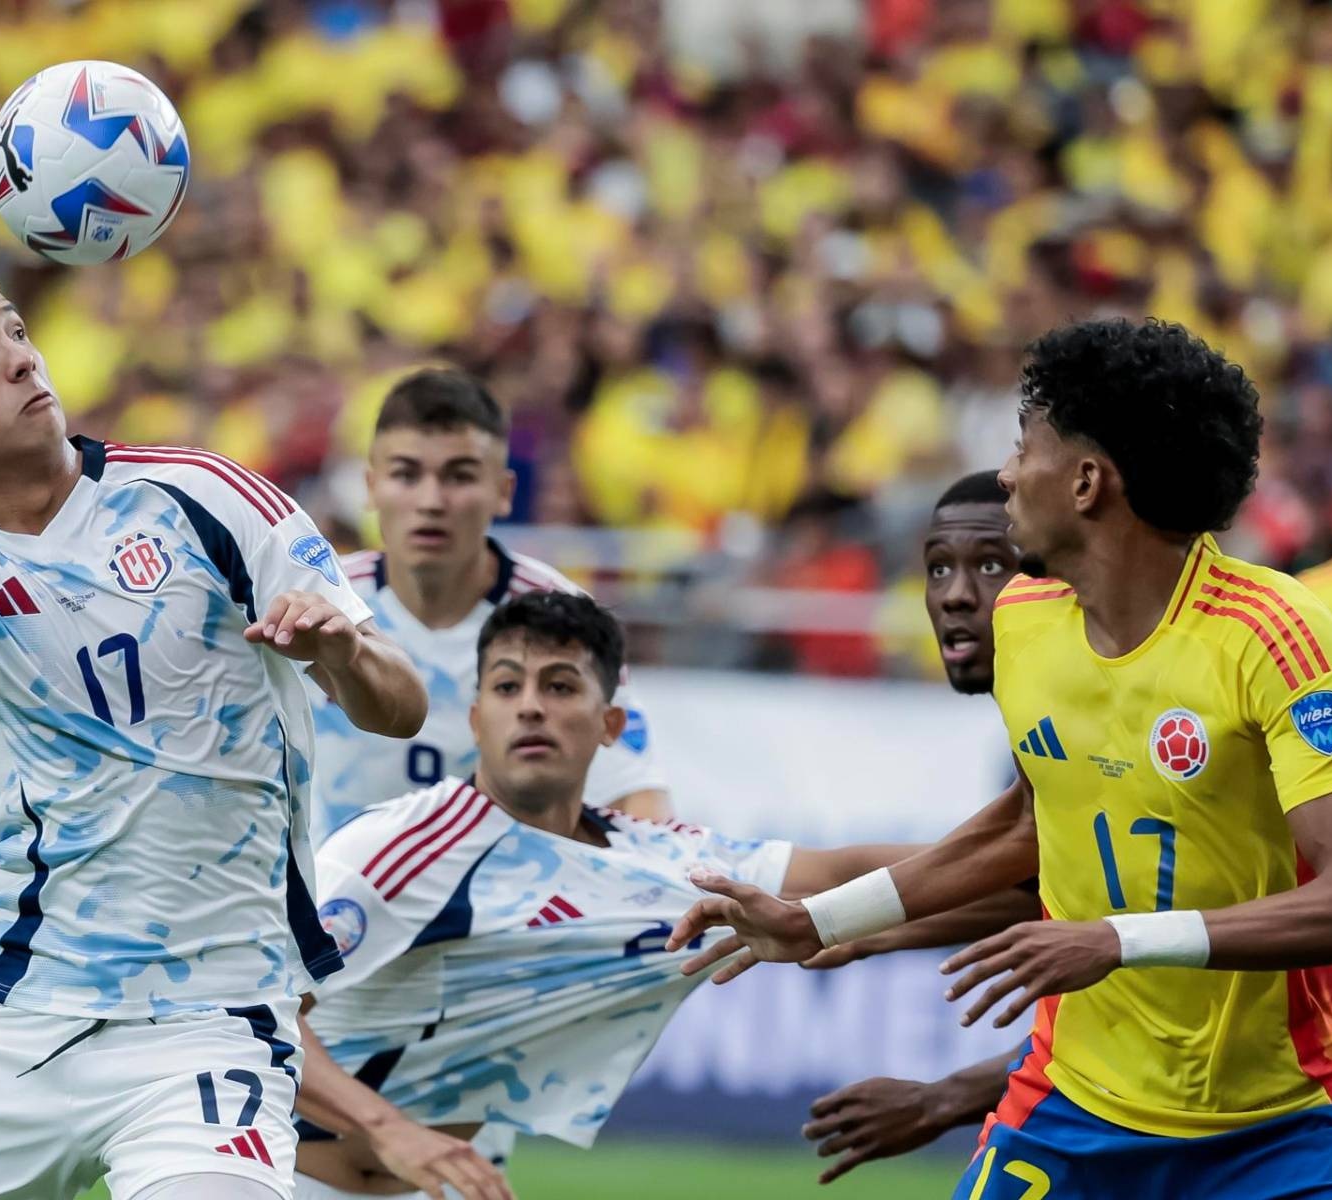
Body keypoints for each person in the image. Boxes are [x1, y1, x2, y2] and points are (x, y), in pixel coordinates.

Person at [0, 256, 427, 1200]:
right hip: (19, 1021)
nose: (23, 362)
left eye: (17, 334)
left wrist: (344, 655)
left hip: (215, 1019)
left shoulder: (205, 498)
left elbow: (400, 703)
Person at [669, 319, 1332, 1198]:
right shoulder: (1024, 621)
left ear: (1087, 481)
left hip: (1285, 1124)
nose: (1005, 474)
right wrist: (823, 921)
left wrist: (1116, 941)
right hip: (1074, 1109)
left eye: (1024, 448)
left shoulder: (1275, 637)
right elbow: (1030, 822)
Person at [290, 591, 944, 1200]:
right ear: (475, 720)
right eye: (507, 686)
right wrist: (386, 1129)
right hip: (282, 1178)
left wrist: (1034, 858)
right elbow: (249, 1006)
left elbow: (841, 872)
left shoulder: (652, 858)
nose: (530, 707)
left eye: (560, 686)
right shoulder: (402, 848)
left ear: (610, 725)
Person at [310, 366, 668, 843]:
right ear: (372, 487)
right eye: (406, 474)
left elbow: (636, 801)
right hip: (327, 907)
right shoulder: (319, 606)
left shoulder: (565, 618)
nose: (432, 500)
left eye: (459, 476)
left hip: (503, 909)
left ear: (503, 492)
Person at [803, 470, 1041, 1184]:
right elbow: (1043, 882)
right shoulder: (1038, 723)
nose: (956, 595)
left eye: (992, 565)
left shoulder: (1120, 709)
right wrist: (862, 929)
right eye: (938, 568)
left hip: (1246, 1111)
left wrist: (947, 1098)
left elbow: (1145, 956)